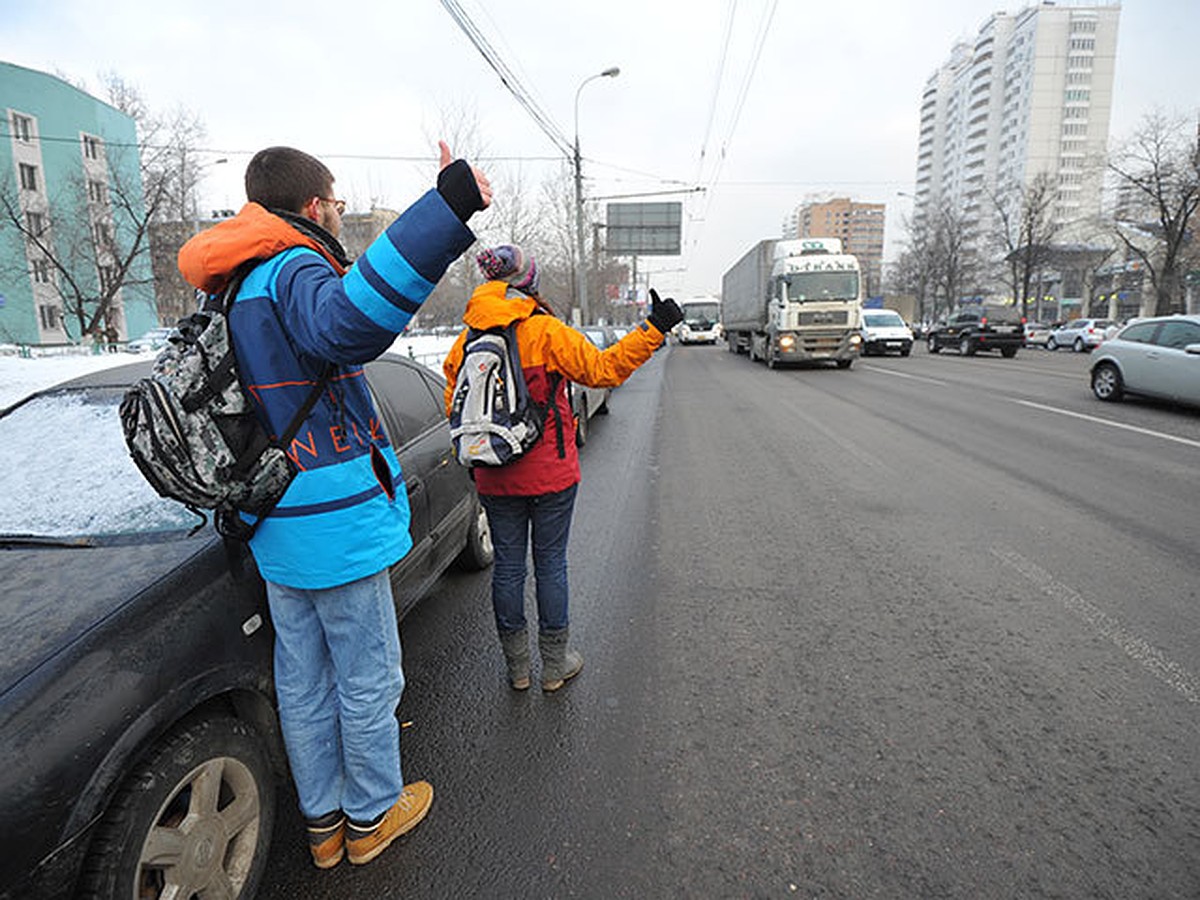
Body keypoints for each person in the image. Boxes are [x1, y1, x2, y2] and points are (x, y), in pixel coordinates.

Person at [177, 143, 491, 869]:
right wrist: (445, 207)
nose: (341, 213)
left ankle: (323, 825)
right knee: (368, 674)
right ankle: (374, 813)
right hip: (334, 520)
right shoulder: (293, 267)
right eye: (338, 202)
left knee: (305, 679)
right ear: (314, 206)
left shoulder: (230, 286)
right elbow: (349, 324)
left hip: (275, 517)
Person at [442, 245, 682, 692]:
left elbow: (453, 405)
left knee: (508, 568)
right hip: (550, 472)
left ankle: (516, 668)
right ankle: (555, 665)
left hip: (494, 472)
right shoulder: (546, 332)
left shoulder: (465, 343)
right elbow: (604, 370)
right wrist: (654, 328)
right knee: (550, 563)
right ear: (528, 283)